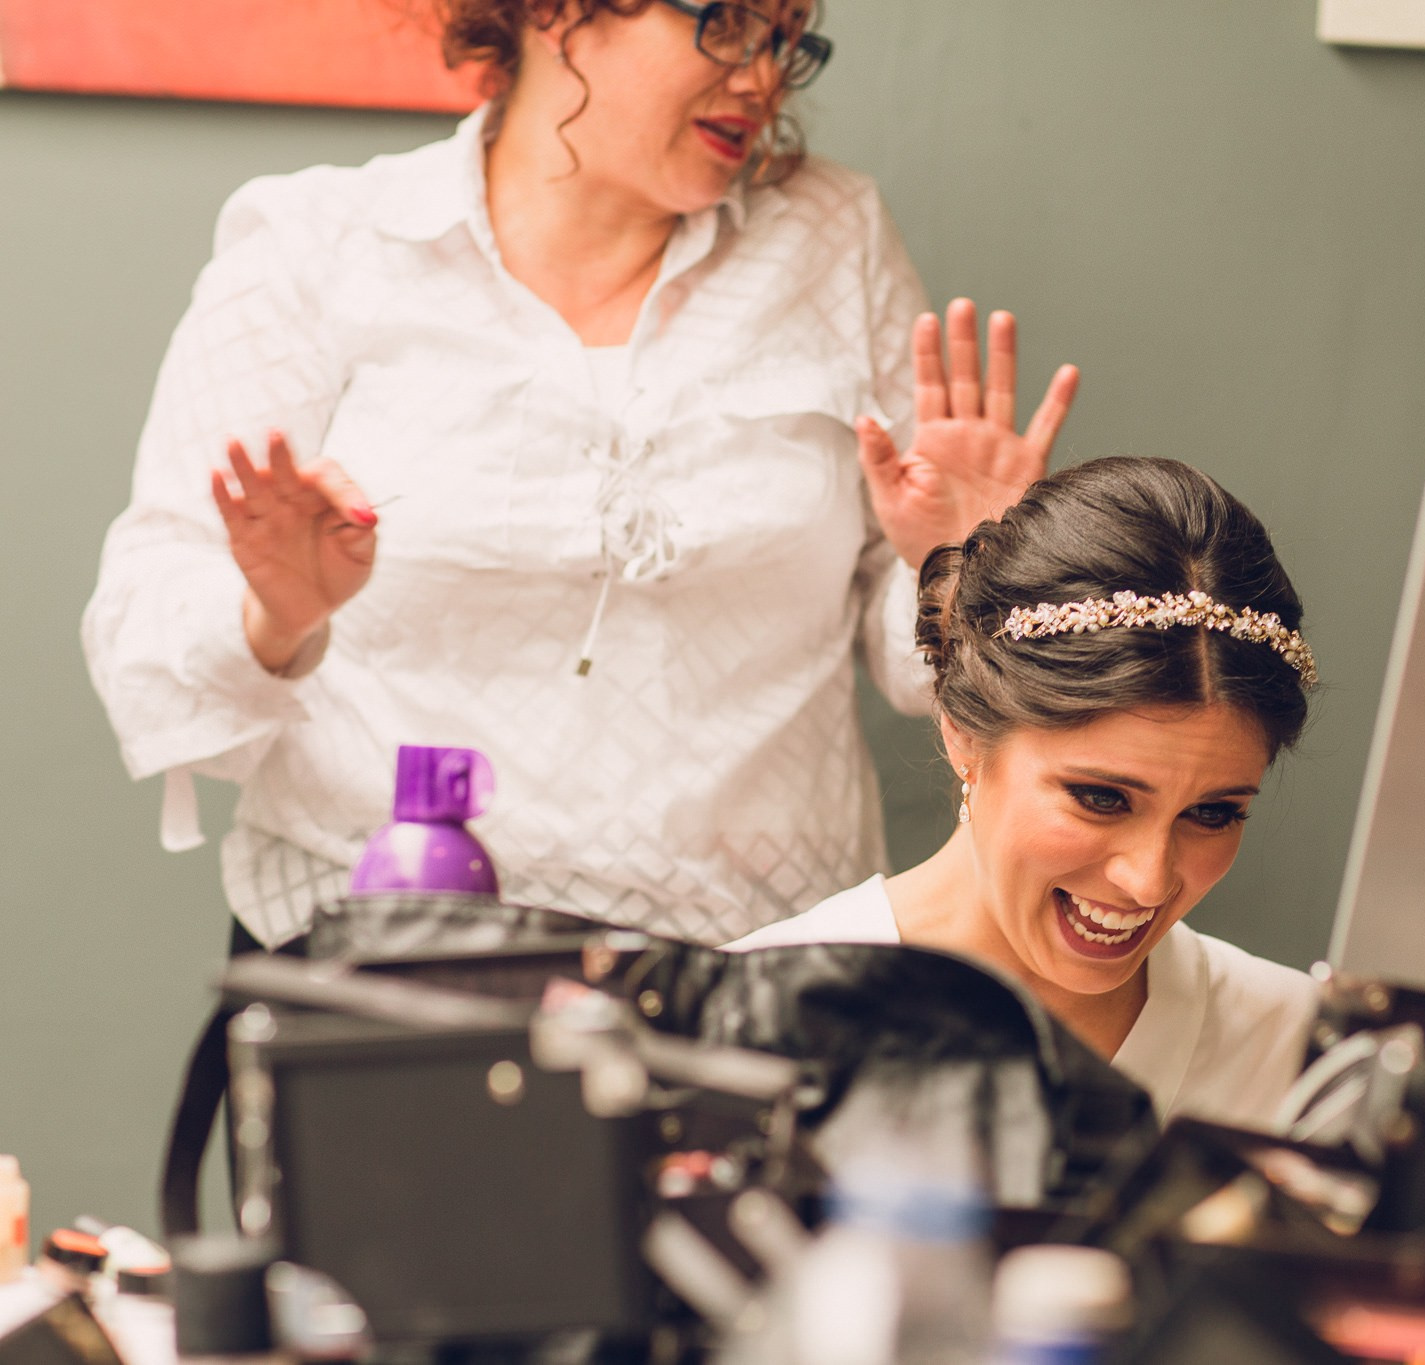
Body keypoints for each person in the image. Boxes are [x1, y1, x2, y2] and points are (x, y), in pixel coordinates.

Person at [81, 0, 1078, 949]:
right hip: (380, 975)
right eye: (725, 22)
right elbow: (144, 640)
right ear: (553, 12)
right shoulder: (316, 247)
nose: (766, 75)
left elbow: (918, 672)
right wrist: (275, 617)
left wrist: (967, 564)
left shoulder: (832, 237)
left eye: (786, 37)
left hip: (758, 983)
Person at [729, 458, 1322, 1129]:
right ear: (964, 737)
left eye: (1213, 812)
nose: (1149, 880)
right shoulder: (749, 1023)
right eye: (1102, 797)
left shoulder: (1303, 1058)